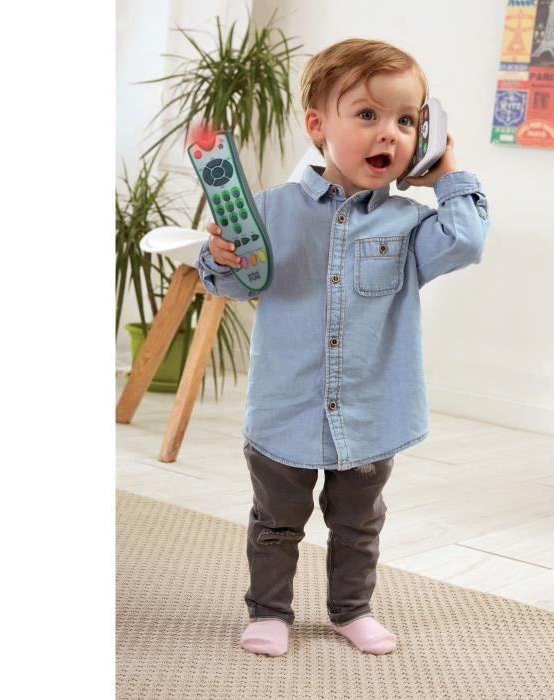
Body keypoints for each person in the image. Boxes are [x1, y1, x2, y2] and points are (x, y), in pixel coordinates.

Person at [196, 37, 490, 657]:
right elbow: (227, 282)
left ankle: (351, 609)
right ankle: (269, 611)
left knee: (359, 524)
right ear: (317, 127)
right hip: (286, 409)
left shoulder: (411, 223)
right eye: (367, 114)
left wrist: (447, 172)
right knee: (275, 523)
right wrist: (218, 254)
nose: (389, 133)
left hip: (369, 412)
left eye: (406, 121)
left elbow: (466, 240)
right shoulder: (267, 210)